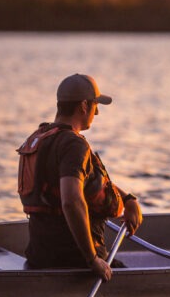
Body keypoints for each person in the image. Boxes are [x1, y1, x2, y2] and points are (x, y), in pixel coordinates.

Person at [17, 74, 142, 281]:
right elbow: (72, 201)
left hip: (40, 256)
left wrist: (128, 199)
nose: (98, 112)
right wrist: (92, 259)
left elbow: (87, 183)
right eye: (95, 105)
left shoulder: (41, 138)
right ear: (83, 106)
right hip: (74, 260)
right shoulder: (74, 145)